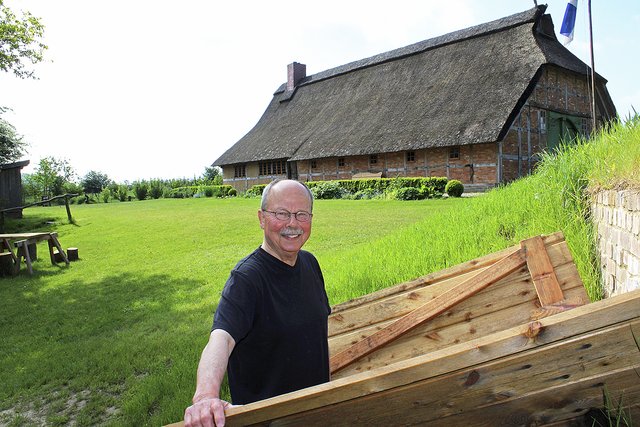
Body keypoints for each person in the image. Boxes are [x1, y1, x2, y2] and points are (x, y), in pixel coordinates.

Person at [184, 179, 331, 427]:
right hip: (269, 420)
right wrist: (206, 396)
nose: (292, 223)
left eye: (301, 214)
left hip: (315, 410)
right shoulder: (247, 279)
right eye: (281, 213)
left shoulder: (310, 263)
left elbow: (317, 334)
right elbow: (221, 338)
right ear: (262, 218)